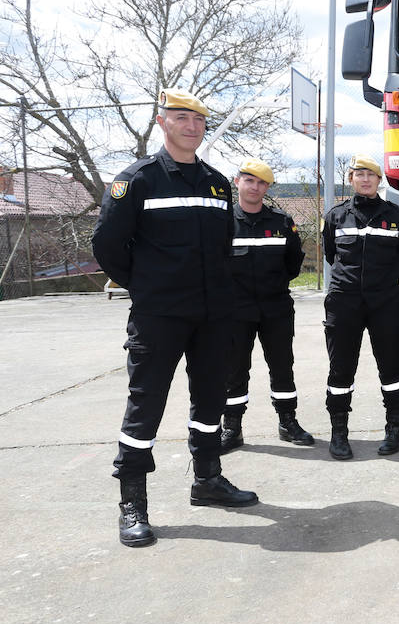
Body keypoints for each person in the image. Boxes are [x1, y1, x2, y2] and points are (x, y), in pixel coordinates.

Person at [92, 89, 258, 548]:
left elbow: (224, 244)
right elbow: (107, 245)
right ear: (162, 122)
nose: (191, 126)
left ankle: (207, 479)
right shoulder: (138, 180)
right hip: (159, 315)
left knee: (210, 402)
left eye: (198, 120)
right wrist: (147, 286)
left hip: (212, 316)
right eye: (181, 118)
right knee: (146, 406)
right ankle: (133, 503)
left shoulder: (216, 182)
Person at [321, 154, 399, 460]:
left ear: (379, 181)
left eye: (371, 175)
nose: (365, 179)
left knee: (391, 367)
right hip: (344, 300)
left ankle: (394, 429)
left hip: (384, 301)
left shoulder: (397, 217)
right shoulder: (335, 217)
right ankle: (339, 433)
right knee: (341, 369)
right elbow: (332, 255)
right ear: (351, 179)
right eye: (359, 174)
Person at [220, 158, 312, 453]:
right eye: (249, 180)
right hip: (235, 310)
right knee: (234, 370)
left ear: (267, 187)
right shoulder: (221, 223)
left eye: (261, 183)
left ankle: (288, 422)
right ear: (237, 182)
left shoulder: (282, 223)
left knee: (282, 366)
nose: (255, 187)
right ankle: (231, 428)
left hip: (276, 309)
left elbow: (293, 263)